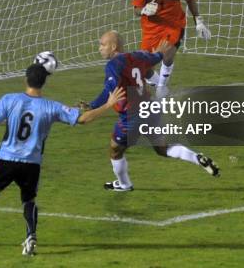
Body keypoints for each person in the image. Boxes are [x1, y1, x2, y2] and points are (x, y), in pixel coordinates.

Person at [0, 63, 124, 256]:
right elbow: (83, 119)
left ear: (25, 79)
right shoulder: (51, 107)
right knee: (29, 200)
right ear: (43, 82)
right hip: (32, 163)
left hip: (6, 160)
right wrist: (108, 104)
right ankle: (31, 237)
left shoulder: (9, 99)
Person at [82, 30, 219, 192]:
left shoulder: (113, 65)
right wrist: (161, 52)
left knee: (115, 150)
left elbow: (109, 92)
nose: (99, 48)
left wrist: (92, 105)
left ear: (113, 46)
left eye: (102, 44)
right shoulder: (140, 56)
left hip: (132, 116)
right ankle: (197, 158)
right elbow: (157, 57)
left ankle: (125, 185)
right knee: (162, 148)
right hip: (151, 109)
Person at [132, 0, 211, 98]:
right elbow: (136, 9)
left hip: (173, 26)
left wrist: (198, 21)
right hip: (150, 30)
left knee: (167, 53)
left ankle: (161, 89)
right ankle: (161, 87)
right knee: (143, 69)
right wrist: (144, 10)